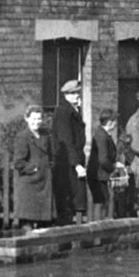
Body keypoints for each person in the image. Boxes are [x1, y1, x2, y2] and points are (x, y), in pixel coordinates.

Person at [12, 105, 55, 229]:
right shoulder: (23, 137)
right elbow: (18, 162)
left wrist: (49, 167)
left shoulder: (45, 135)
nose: (36, 122)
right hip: (29, 186)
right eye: (33, 119)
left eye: (39, 119)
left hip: (44, 185)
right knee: (27, 225)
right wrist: (34, 168)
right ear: (26, 118)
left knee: (45, 225)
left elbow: (50, 155)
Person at [52, 79, 87, 224]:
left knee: (75, 199)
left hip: (72, 160)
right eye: (73, 94)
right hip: (67, 163)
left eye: (78, 93)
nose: (77, 96)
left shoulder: (73, 110)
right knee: (69, 198)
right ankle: (65, 236)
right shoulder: (64, 112)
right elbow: (66, 140)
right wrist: (77, 164)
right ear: (66, 95)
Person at [87, 108, 125, 221]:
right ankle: (97, 234)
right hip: (98, 175)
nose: (116, 124)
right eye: (115, 121)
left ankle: (99, 232)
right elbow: (102, 159)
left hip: (100, 175)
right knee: (100, 202)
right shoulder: (102, 136)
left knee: (103, 201)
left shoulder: (102, 134)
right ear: (110, 122)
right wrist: (114, 166)